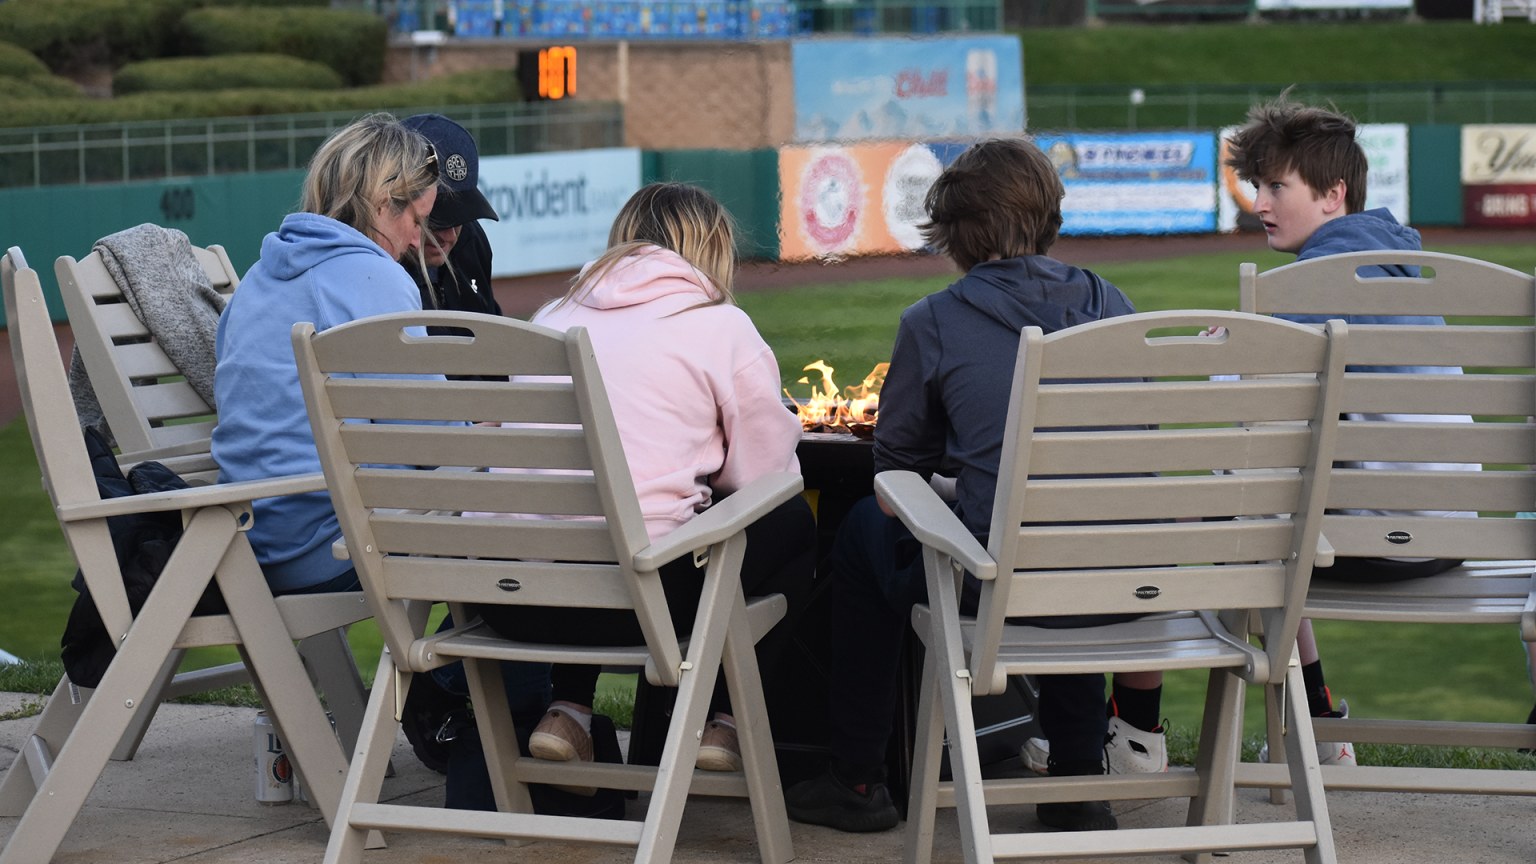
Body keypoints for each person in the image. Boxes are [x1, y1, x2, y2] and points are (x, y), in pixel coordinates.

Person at [783, 137, 1139, 835]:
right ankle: (1077, 779)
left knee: (861, 530)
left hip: (998, 583)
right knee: (1061, 528)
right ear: (1050, 218)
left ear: (952, 233)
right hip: (1113, 577)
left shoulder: (935, 319)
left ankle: (858, 776)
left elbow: (894, 474)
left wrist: (962, 463)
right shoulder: (1114, 303)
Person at [477, 182, 816, 776]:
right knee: (789, 521)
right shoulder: (720, 325)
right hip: (642, 606)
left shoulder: (550, 317)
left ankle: (568, 710)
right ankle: (727, 718)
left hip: (516, 599)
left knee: (591, 522)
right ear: (710, 249)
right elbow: (763, 477)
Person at [1225, 93, 1478, 765]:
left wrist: (1226, 348)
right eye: (1258, 186)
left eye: (1276, 185)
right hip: (1455, 536)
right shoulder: (1399, 263)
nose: (1260, 203)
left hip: (1384, 544)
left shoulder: (1321, 280)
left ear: (1333, 194)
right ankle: (1317, 724)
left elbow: (1247, 412)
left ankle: (1308, 734)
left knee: (1250, 512)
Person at [211, 112, 439, 594]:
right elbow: (428, 435)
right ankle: (449, 672)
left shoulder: (257, 278)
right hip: (329, 544)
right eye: (416, 219)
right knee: (510, 520)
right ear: (382, 203)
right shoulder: (375, 278)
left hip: (247, 539)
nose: (419, 238)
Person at [399, 113, 501, 318]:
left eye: (460, 219)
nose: (451, 235)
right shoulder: (378, 264)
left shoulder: (471, 239)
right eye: (435, 220)